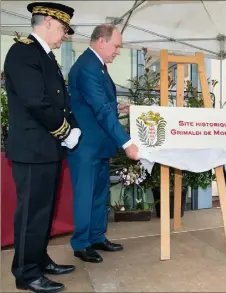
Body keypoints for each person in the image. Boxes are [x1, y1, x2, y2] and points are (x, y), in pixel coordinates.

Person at [3, 2, 81, 292]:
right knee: (31, 214)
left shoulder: (44, 56)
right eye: (62, 29)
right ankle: (25, 273)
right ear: (47, 21)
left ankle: (39, 259)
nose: (64, 36)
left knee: (44, 211)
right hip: (33, 149)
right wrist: (64, 131)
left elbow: (61, 99)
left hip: (46, 149)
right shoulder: (23, 52)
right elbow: (37, 101)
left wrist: (73, 126)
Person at [67, 24, 139, 263]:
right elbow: (99, 109)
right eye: (116, 46)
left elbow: (98, 103)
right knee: (85, 194)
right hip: (86, 146)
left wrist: (116, 107)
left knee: (99, 194)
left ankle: (97, 236)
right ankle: (81, 243)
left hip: (98, 145)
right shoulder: (87, 66)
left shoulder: (97, 66)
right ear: (101, 41)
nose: (118, 51)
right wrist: (127, 142)